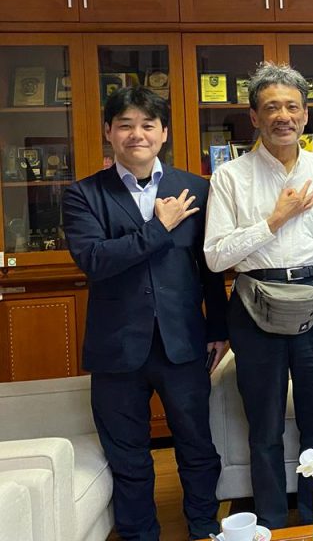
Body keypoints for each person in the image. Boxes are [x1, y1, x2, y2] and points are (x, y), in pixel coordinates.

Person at [62, 86, 227, 541]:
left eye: (147, 125)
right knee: (128, 453)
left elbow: (209, 268)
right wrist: (159, 228)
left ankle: (203, 527)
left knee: (197, 444)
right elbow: (95, 260)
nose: (137, 134)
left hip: (183, 341)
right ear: (109, 132)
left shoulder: (194, 189)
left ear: (163, 132)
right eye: (125, 125)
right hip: (116, 347)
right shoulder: (83, 195)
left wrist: (218, 327)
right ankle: (139, 534)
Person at [203, 62, 313, 529]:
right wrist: (275, 219)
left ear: (306, 114)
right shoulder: (230, 177)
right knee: (264, 426)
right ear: (254, 117)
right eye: (272, 107)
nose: (283, 116)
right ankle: (269, 521)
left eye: (292, 107)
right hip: (254, 308)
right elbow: (216, 256)